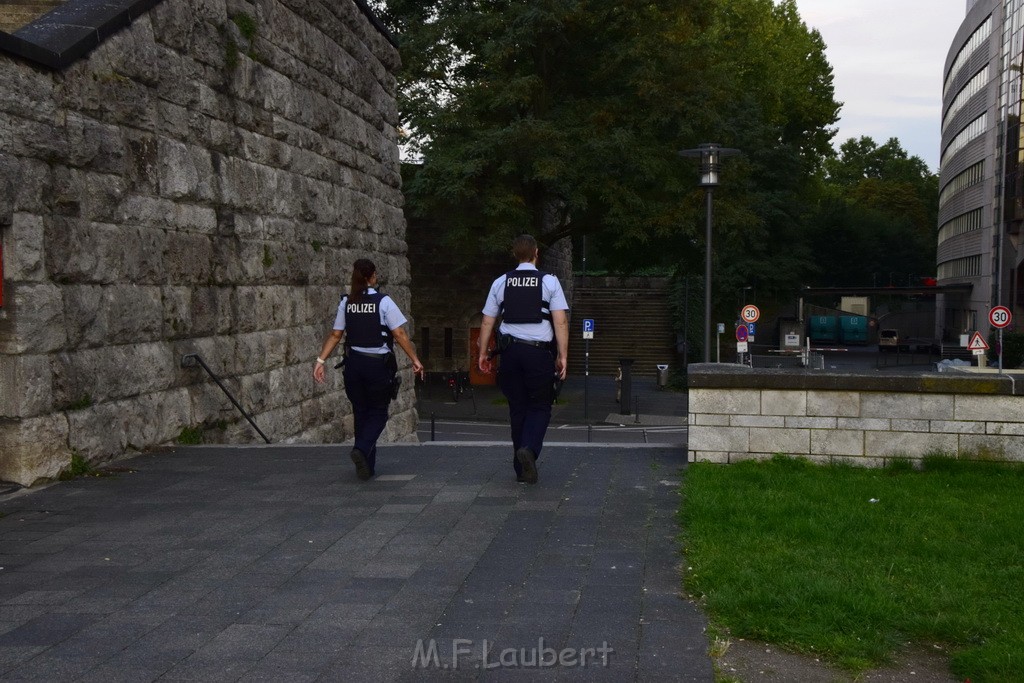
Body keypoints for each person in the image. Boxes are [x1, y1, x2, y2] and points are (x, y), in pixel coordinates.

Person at [313, 259, 424, 480]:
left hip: (353, 365)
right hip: (377, 365)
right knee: (379, 412)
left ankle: (366, 468)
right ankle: (361, 450)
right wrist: (415, 359)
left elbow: (336, 335)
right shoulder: (383, 302)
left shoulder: (347, 302)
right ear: (372, 276)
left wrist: (320, 360)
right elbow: (399, 334)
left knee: (360, 412)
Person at [477, 234, 569, 484]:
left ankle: (521, 469)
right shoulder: (549, 282)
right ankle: (529, 449)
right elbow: (559, 320)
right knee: (540, 405)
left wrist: (483, 353)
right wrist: (563, 355)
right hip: (538, 353)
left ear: (514, 254)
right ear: (536, 253)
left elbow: (487, 320)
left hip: (509, 353)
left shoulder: (500, 282)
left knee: (517, 408)